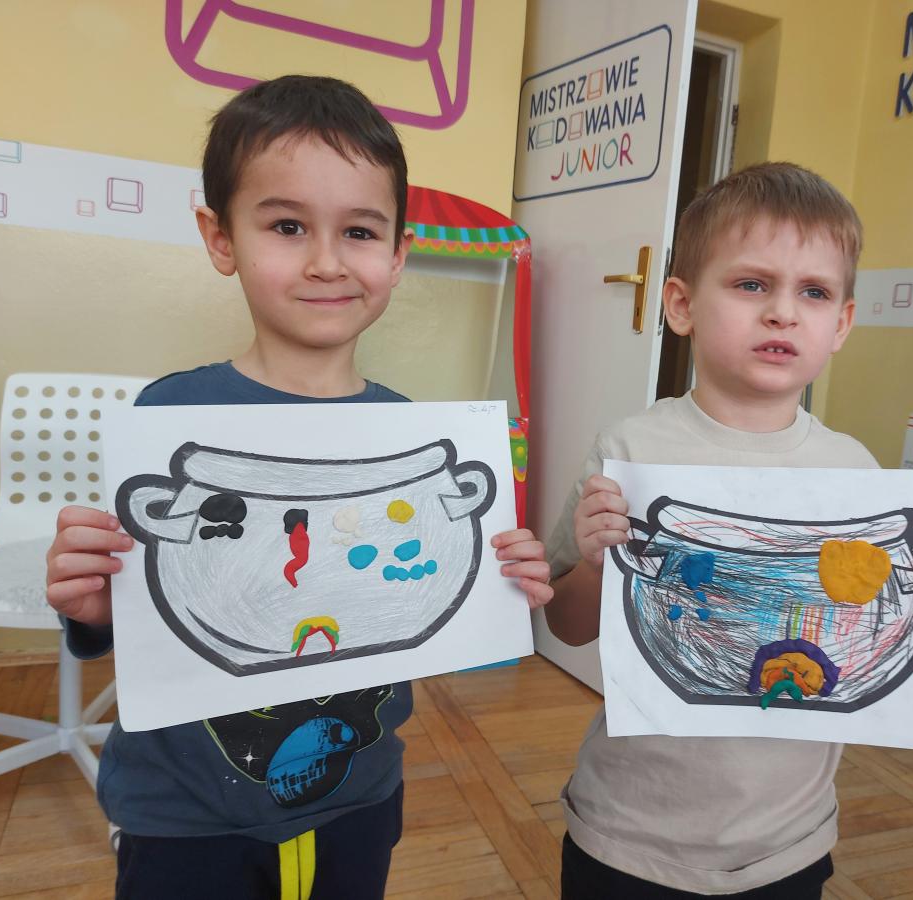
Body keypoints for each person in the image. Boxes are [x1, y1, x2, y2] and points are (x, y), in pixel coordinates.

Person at [43, 75, 552, 900]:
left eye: (359, 231)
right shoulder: (170, 419)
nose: (326, 261)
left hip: (360, 797)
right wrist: (96, 607)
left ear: (397, 252)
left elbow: (435, 605)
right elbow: (122, 616)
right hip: (183, 816)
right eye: (287, 226)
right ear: (221, 238)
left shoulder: (412, 435)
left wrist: (505, 580)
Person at [543, 161, 913, 898]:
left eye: (814, 293)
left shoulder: (856, 473)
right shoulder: (629, 450)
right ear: (681, 305)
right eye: (751, 284)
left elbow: (891, 623)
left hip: (788, 840)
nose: (783, 313)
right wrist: (596, 564)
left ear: (842, 324)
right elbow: (568, 626)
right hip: (630, 832)